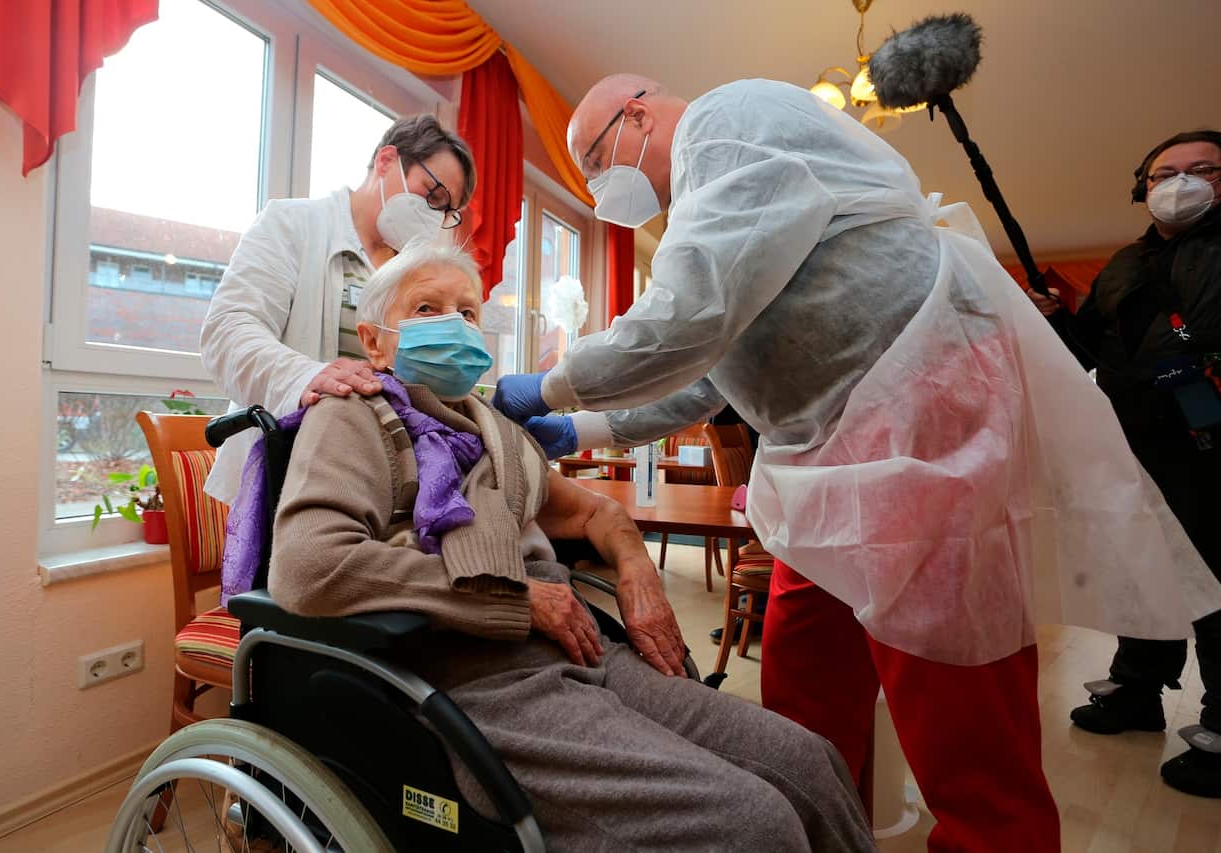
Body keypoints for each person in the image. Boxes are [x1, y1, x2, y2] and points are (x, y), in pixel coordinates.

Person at [492, 74, 1221, 851]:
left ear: (635, 111)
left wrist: (551, 383)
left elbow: (688, 315)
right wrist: (581, 425)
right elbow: (711, 371)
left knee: (960, 718)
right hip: (832, 471)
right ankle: (825, 831)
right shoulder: (717, 209)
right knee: (804, 695)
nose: (603, 189)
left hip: (916, 435)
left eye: (597, 163)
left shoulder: (731, 122)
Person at [264, 242, 877, 852]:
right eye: (427, 309)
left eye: (469, 312)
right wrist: (519, 598)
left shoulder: (491, 429)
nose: (455, 324)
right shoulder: (354, 417)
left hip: (581, 651)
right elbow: (309, 564)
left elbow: (597, 513)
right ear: (374, 340)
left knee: (809, 764)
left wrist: (639, 576)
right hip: (476, 676)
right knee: (751, 823)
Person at [1028, 130, 1221, 798]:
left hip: (1211, 445)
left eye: (1202, 170)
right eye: (1166, 172)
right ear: (1143, 185)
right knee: (1143, 565)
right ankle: (1138, 688)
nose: (1181, 182)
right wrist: (1055, 318)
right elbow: (1094, 346)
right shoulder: (1123, 263)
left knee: (1215, 577)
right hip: (1134, 441)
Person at [200, 114, 475, 505]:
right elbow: (226, 332)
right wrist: (306, 376)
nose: (433, 215)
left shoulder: (415, 272)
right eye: (430, 193)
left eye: (444, 209)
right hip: (297, 477)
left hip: (384, 479)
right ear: (386, 161)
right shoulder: (293, 225)